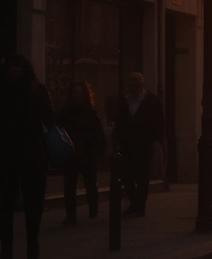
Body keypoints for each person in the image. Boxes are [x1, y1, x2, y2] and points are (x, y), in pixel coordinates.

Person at [0, 54, 55, 259]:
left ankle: (32, 240)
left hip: (31, 151)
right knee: (4, 202)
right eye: (10, 66)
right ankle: (6, 248)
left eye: (17, 66)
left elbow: (50, 118)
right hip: (6, 153)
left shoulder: (36, 89)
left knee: (33, 200)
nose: (14, 70)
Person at [114, 72, 163, 217]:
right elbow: (119, 122)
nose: (133, 88)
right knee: (127, 176)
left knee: (142, 176)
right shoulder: (124, 101)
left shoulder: (152, 100)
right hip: (127, 144)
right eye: (131, 85)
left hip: (145, 143)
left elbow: (159, 121)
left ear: (142, 84)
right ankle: (135, 203)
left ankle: (140, 206)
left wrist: (158, 140)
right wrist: (117, 140)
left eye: (136, 84)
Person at [58, 80, 105, 224]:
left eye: (80, 93)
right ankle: (71, 215)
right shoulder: (65, 113)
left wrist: (98, 150)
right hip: (71, 153)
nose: (77, 96)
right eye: (75, 93)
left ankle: (93, 209)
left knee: (90, 183)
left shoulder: (90, 113)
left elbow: (98, 133)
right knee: (69, 185)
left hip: (88, 152)